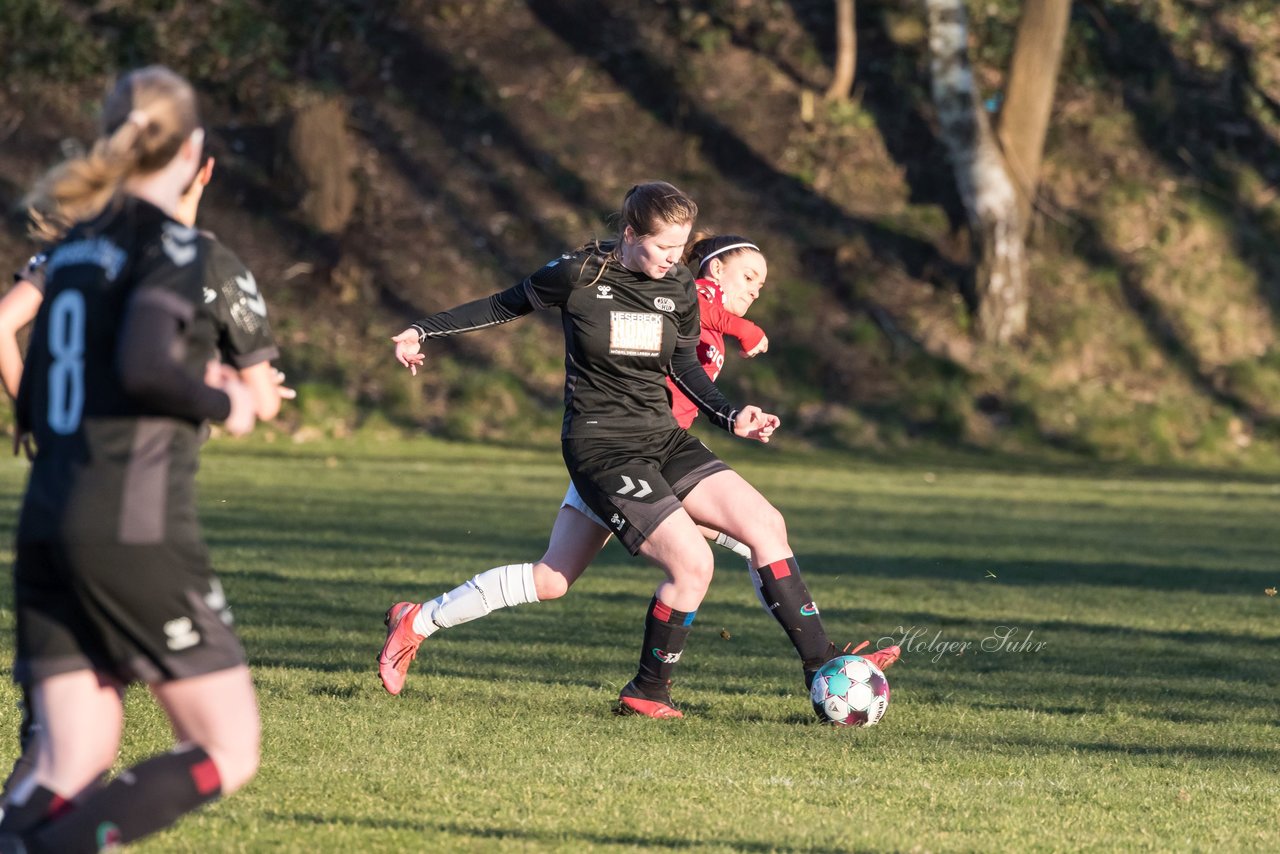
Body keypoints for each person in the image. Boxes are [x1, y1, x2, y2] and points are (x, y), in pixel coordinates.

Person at [386, 182, 896, 720]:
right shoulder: (580, 274)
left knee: (763, 525)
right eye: (665, 249)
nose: (677, 261)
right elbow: (501, 304)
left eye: (681, 251)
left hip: (662, 438)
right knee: (687, 564)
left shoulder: (675, 286)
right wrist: (423, 330)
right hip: (603, 448)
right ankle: (645, 690)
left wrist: (731, 416)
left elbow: (684, 367)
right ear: (630, 235)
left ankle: (819, 664)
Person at [0, 66, 263, 853]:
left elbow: (43, 382)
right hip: (131, 527)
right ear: (194, 150)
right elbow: (149, 364)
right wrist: (227, 399)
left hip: (49, 514)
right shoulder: (175, 246)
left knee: (69, 758)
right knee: (226, 749)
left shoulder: (72, 251)